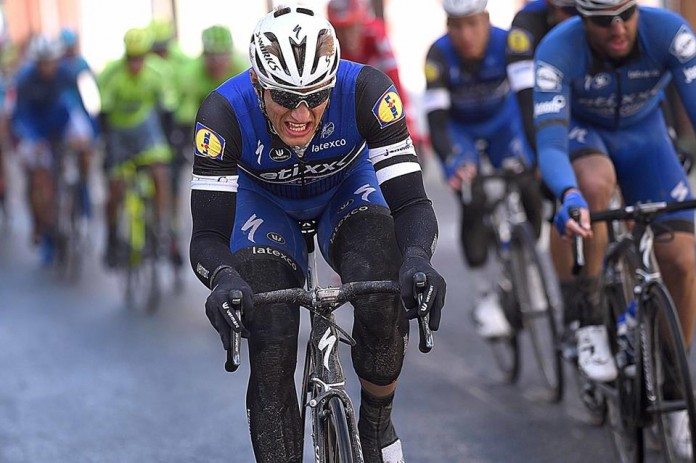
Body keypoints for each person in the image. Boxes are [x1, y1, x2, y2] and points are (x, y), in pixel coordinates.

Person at [190, 6, 446, 463]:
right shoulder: (223, 113)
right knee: (270, 337)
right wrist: (224, 278)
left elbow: (410, 204)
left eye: (317, 95)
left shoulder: (367, 91)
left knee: (380, 285)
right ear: (257, 84)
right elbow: (206, 236)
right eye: (286, 97)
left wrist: (417, 258)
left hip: (346, 188)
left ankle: (375, 424)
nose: (302, 114)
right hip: (262, 204)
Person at [534, 1, 696, 456]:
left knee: (683, 261)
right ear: (582, 19)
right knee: (593, 185)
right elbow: (549, 140)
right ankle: (586, 315)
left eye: (626, 14)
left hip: (647, 140)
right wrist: (567, 194)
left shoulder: (669, 32)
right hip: (586, 139)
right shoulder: (557, 49)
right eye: (604, 21)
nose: (618, 27)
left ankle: (674, 391)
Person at [424, 0, 540, 339]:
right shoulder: (438, 55)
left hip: (506, 125)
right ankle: (484, 296)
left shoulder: (511, 43)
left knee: (529, 185)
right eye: (456, 26)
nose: (465, 34)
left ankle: (529, 266)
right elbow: (438, 122)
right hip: (462, 131)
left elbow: (527, 99)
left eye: (472, 24)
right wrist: (452, 162)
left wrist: (535, 152)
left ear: (487, 20)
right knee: (472, 198)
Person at [98, 28, 176, 268]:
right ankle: (111, 236)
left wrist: (171, 141)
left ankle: (161, 225)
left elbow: (167, 110)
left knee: (160, 172)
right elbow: (103, 114)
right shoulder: (111, 74)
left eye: (140, 57)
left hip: (146, 131)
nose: (135, 63)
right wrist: (108, 152)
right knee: (115, 188)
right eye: (131, 58)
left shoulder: (158, 72)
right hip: (118, 132)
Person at [12, 35, 94, 262]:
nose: (48, 67)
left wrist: (87, 133)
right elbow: (21, 116)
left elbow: (77, 104)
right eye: (43, 63)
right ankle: (45, 231)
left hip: (63, 123)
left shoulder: (66, 73)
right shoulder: (25, 80)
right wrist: (33, 139)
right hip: (36, 131)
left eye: (52, 61)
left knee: (86, 149)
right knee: (39, 180)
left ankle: (82, 190)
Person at [327, 0, 425, 157]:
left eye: (352, 27)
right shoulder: (328, 46)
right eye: (341, 30)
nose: (347, 36)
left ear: (362, 22)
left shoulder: (377, 34)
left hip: (379, 96)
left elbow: (394, 78)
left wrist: (409, 123)